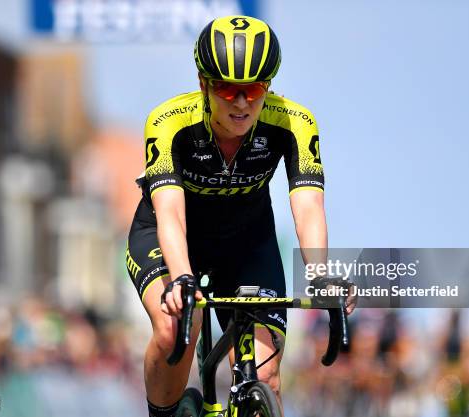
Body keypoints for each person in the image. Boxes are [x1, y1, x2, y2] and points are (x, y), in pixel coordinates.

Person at [126, 15, 356, 417]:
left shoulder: (294, 123)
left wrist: (319, 274)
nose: (241, 101)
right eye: (226, 89)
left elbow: (307, 206)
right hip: (173, 238)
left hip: (247, 243)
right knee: (176, 326)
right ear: (203, 84)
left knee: (265, 379)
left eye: (253, 89)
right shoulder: (169, 123)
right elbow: (170, 212)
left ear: (267, 86)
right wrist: (182, 277)